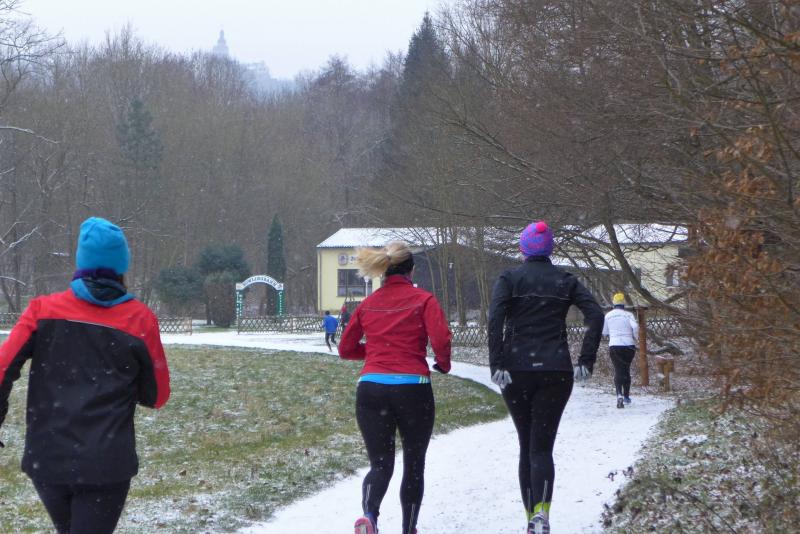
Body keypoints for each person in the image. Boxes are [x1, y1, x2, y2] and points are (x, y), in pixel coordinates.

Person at [0, 216, 170, 534]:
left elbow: (2, 367)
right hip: (106, 463)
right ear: (122, 266)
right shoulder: (139, 320)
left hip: (48, 459)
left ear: (81, 262)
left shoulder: (42, 311)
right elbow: (157, 396)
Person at [488, 220, 603, 534]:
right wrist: (586, 360)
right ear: (550, 248)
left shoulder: (509, 278)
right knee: (541, 448)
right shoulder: (565, 280)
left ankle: (531, 518)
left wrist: (496, 363)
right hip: (556, 370)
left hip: (515, 370)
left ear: (523, 248)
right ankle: (542, 515)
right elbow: (596, 314)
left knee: (526, 445)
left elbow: (495, 318)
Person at [339, 241, 451, 534]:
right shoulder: (424, 300)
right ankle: (409, 528)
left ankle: (369, 515)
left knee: (380, 463)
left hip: (371, 388)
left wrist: (376, 352)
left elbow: (345, 348)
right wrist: (443, 363)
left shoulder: (368, 303)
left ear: (383, 270)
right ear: (411, 271)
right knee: (414, 463)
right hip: (413, 388)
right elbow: (441, 339)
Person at [603, 292, 639, 409]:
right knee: (626, 369)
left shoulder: (608, 316)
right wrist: (636, 337)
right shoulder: (628, 315)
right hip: (628, 345)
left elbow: (604, 331)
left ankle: (619, 395)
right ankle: (626, 396)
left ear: (613, 303)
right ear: (624, 303)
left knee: (618, 370)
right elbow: (635, 327)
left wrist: (612, 333)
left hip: (614, 345)